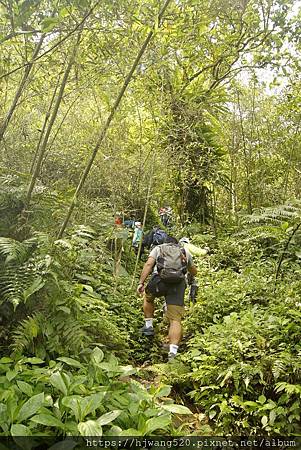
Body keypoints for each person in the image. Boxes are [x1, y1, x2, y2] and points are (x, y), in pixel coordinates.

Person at [137, 236, 197, 361]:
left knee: (148, 298)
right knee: (175, 319)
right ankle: (173, 352)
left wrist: (141, 283)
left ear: (166, 242)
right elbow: (193, 270)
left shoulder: (158, 248)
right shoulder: (185, 251)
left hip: (159, 281)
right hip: (178, 284)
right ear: (177, 244)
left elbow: (149, 264)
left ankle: (149, 326)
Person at [179, 237, 199, 304]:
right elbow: (199, 252)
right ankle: (192, 301)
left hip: (172, 271)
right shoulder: (187, 246)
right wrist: (207, 250)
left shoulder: (175, 248)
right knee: (194, 282)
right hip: (186, 270)